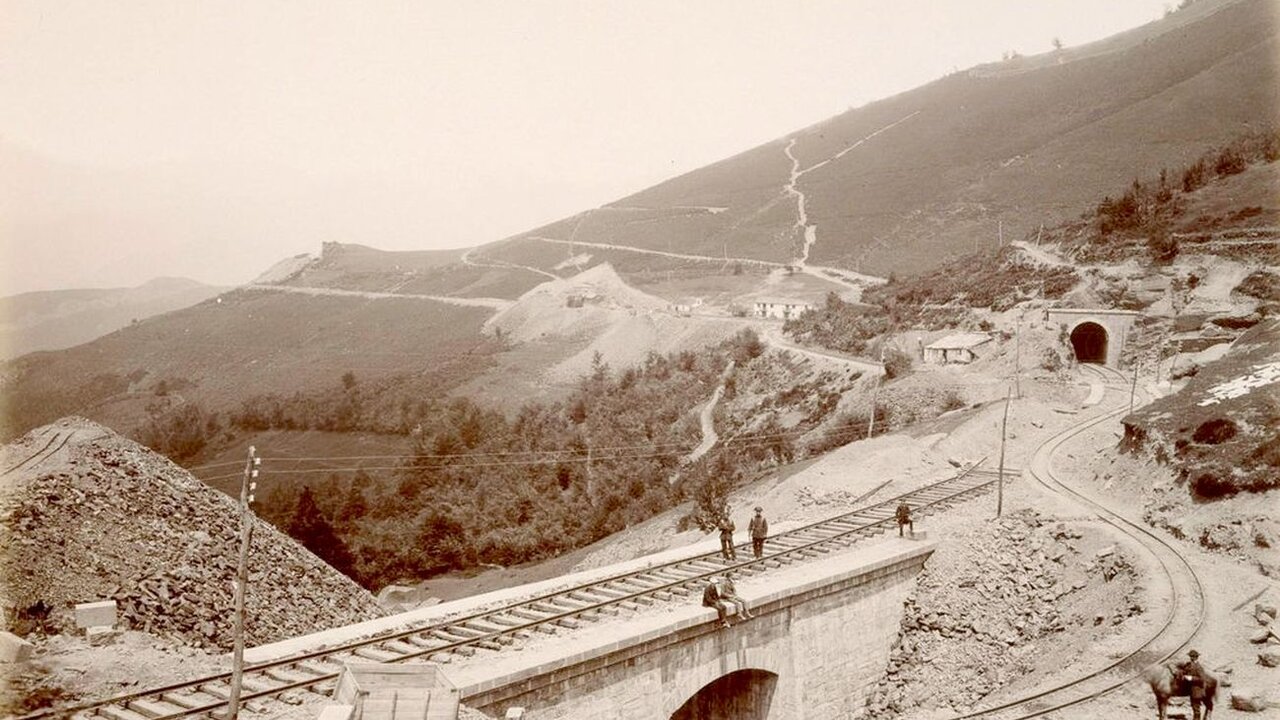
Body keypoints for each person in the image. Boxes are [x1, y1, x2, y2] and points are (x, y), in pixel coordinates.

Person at [1177, 649, 1207, 718]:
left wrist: (1191, 678)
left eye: (1193, 657)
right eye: (1191, 656)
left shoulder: (1199, 667)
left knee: (1196, 708)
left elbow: (1202, 679)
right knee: (1194, 707)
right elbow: (1185, 670)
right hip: (1192, 691)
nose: (1191, 658)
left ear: (1196, 657)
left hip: (1197, 690)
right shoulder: (1189, 665)